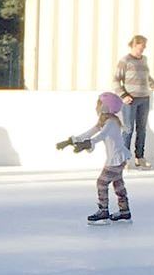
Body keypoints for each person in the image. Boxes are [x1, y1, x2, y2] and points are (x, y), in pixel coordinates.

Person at [55, 92, 133, 225]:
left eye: (99, 104)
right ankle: (124, 210)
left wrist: (87, 144)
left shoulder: (111, 122)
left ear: (106, 107)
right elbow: (89, 133)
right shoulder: (103, 121)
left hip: (116, 158)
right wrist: (71, 141)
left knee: (101, 183)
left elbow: (100, 136)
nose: (96, 107)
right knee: (118, 183)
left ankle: (103, 211)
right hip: (118, 158)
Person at [115, 35, 154, 168]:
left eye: (144, 46)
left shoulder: (144, 60)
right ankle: (124, 158)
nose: (143, 48)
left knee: (142, 129)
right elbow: (116, 80)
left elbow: (147, 77)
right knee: (128, 129)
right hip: (130, 99)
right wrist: (123, 95)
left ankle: (140, 157)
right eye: (141, 46)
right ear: (134, 45)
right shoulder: (125, 61)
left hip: (144, 98)